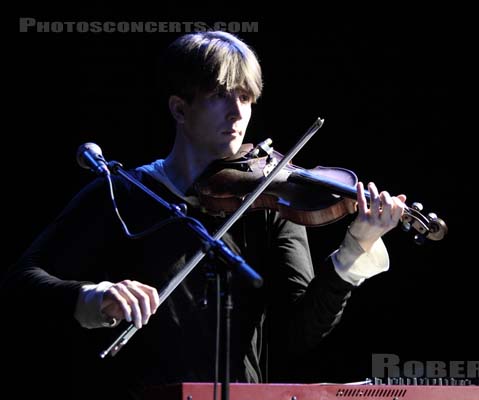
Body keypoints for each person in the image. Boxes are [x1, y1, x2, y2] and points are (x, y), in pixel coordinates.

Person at [0, 31, 406, 400]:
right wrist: (92, 296)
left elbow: (296, 334)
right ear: (179, 108)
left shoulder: (268, 200)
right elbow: (20, 284)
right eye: (220, 95)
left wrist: (356, 249)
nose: (237, 112)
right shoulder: (122, 192)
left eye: (246, 97)